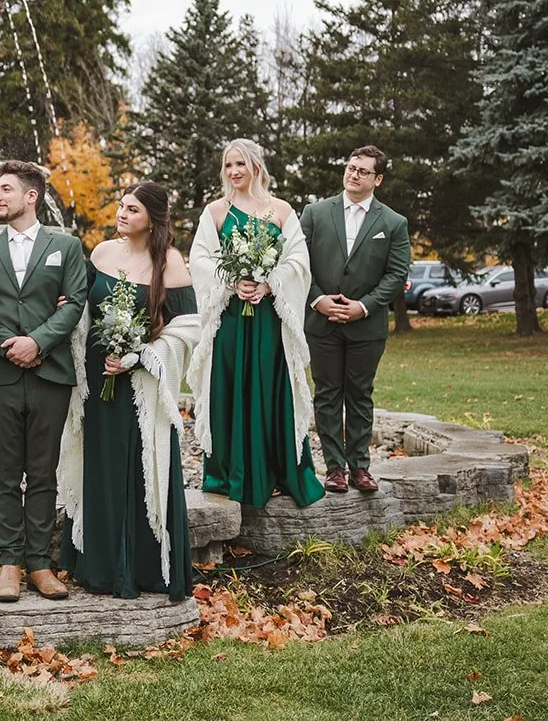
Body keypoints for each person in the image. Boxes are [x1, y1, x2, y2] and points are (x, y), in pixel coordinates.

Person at [58, 181, 199, 599]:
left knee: (139, 468)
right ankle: (98, 567)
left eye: (132, 209)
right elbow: (81, 306)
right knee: (99, 464)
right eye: (121, 206)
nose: (122, 214)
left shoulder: (170, 263)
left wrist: (142, 356)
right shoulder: (101, 252)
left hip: (142, 387)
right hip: (98, 377)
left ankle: (143, 569)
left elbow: (189, 328)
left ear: (152, 219)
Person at [0, 161, 87, 603]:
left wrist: (37, 343)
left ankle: (40, 563)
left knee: (43, 471)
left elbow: (73, 305)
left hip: (51, 373)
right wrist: (10, 346)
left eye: (5, 189)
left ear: (31, 196)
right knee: (5, 470)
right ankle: (9, 564)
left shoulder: (65, 246)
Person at [187, 139, 324, 508]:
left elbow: (299, 261)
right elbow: (199, 259)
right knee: (230, 385)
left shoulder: (280, 210)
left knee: (268, 385)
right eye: (228, 165)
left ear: (256, 167)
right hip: (230, 318)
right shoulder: (215, 211)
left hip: (267, 318)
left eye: (241, 164)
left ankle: (276, 471)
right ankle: (230, 473)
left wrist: (268, 282)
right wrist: (232, 281)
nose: (234, 172)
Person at [299, 146, 411, 493]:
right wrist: (318, 300)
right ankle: (334, 469)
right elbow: (298, 264)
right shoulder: (315, 213)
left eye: (363, 170)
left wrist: (363, 306)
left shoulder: (393, 223)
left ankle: (360, 467)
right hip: (322, 322)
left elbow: (395, 275)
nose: (354, 174)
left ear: (377, 178)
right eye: (351, 167)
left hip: (367, 325)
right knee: (328, 393)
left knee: (360, 395)